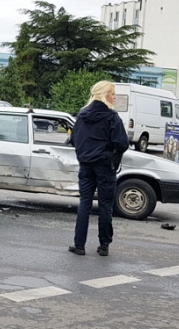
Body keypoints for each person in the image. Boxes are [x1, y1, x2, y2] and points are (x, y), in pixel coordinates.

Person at [68, 80, 129, 257]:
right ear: (105, 95)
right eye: (113, 93)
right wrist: (111, 154)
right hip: (105, 165)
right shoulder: (111, 117)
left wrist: (85, 152)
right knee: (105, 205)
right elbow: (122, 143)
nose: (115, 97)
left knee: (84, 203)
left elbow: (74, 139)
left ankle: (79, 245)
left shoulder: (82, 115)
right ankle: (104, 245)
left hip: (86, 165)